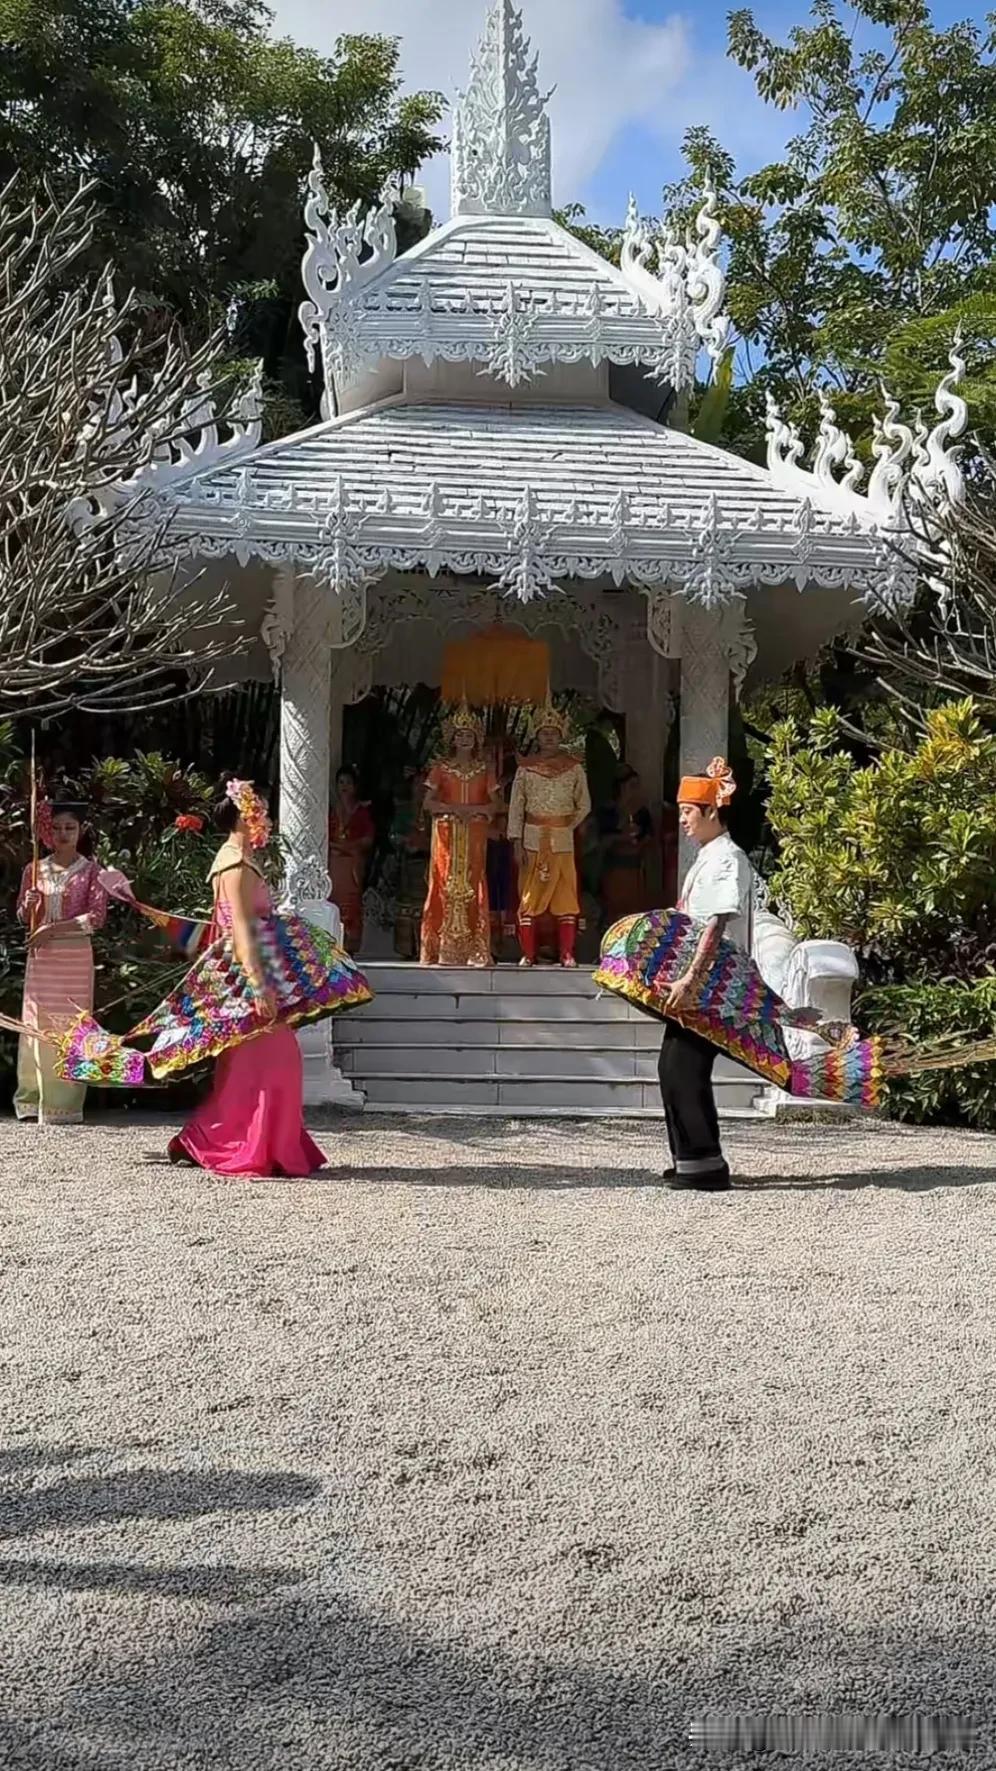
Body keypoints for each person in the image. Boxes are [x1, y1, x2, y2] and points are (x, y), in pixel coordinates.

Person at [168, 779, 327, 1178]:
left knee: (255, 1062)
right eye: (262, 812)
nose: (268, 820)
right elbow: (240, 928)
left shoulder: (240, 858)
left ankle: (233, 1139)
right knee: (274, 1059)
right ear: (244, 817)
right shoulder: (235, 863)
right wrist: (259, 984)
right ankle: (227, 1140)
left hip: (250, 966)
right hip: (246, 971)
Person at [657, 757, 752, 1193]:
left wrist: (691, 979)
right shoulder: (707, 856)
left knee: (684, 1067)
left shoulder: (728, 858)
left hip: (713, 982)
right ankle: (691, 1158)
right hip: (696, 981)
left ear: (712, 812)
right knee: (673, 1066)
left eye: (688, 813)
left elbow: (715, 923)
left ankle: (705, 1163)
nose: (683, 821)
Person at [15, 801, 108, 1125]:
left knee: (71, 1025)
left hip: (74, 956)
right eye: (56, 828)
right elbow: (23, 917)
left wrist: (54, 929)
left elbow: (96, 919)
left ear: (81, 831)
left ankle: (64, 1104)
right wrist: (29, 907)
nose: (63, 834)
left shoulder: (93, 871)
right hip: (42, 957)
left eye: (70, 827)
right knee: (36, 1025)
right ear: (46, 831)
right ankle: (32, 1099)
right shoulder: (34, 869)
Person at [507, 704, 591, 967]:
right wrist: (517, 842)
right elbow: (516, 807)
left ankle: (567, 953)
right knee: (529, 896)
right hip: (532, 838)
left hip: (562, 840)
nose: (549, 737)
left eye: (554, 732)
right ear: (537, 736)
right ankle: (528, 954)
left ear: (561, 735)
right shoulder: (525, 769)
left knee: (565, 895)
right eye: (544, 733)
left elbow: (584, 804)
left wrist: (565, 825)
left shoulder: (574, 768)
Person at [420, 705, 503, 967]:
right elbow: (427, 803)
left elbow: (497, 804)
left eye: (469, 734)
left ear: (476, 738)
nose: (464, 739)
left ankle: (474, 950)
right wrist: (454, 810)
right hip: (447, 833)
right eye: (459, 734)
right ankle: (437, 948)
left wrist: (476, 812)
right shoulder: (441, 768)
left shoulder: (484, 770)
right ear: (452, 738)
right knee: (443, 881)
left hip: (474, 833)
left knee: (474, 881)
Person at [598, 768, 654, 929]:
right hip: (613, 870)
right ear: (621, 787)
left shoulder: (642, 813)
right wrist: (620, 837)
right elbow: (598, 841)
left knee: (635, 916)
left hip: (635, 871)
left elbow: (649, 837)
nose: (636, 790)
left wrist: (639, 842)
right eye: (632, 785)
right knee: (613, 915)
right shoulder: (607, 812)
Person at [328, 766, 375, 954]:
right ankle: (333, 944)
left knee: (351, 902)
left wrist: (347, 847)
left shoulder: (362, 812)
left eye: (348, 782)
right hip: (334, 863)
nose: (344, 786)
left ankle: (350, 946)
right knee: (333, 901)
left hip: (353, 863)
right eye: (341, 782)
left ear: (355, 786)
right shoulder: (332, 811)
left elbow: (368, 839)